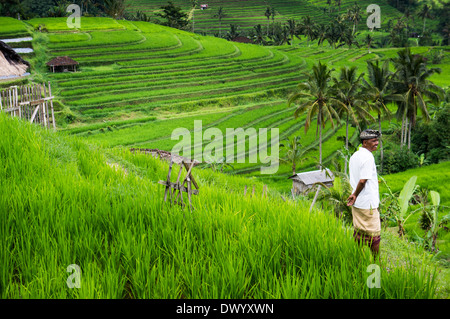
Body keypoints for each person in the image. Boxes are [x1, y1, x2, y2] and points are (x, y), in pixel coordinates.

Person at [347, 129, 381, 258]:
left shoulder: (355, 156)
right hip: (368, 203)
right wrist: (355, 194)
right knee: (374, 235)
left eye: (377, 140)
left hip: (358, 203)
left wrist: (355, 196)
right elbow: (362, 180)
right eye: (374, 141)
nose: (376, 143)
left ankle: (357, 257)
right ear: (365, 142)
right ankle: (376, 261)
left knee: (360, 231)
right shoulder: (368, 157)